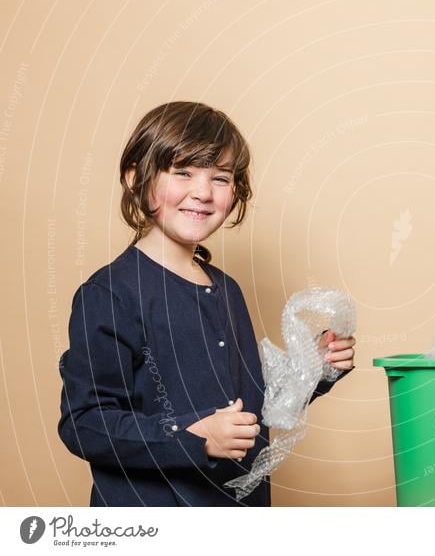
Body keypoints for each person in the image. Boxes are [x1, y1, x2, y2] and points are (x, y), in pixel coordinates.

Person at [57, 102, 356, 506]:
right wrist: (192, 438)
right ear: (134, 177)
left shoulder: (227, 290)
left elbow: (247, 403)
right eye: (182, 172)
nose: (202, 191)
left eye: (220, 177)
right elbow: (85, 424)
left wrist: (313, 369)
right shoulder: (110, 294)